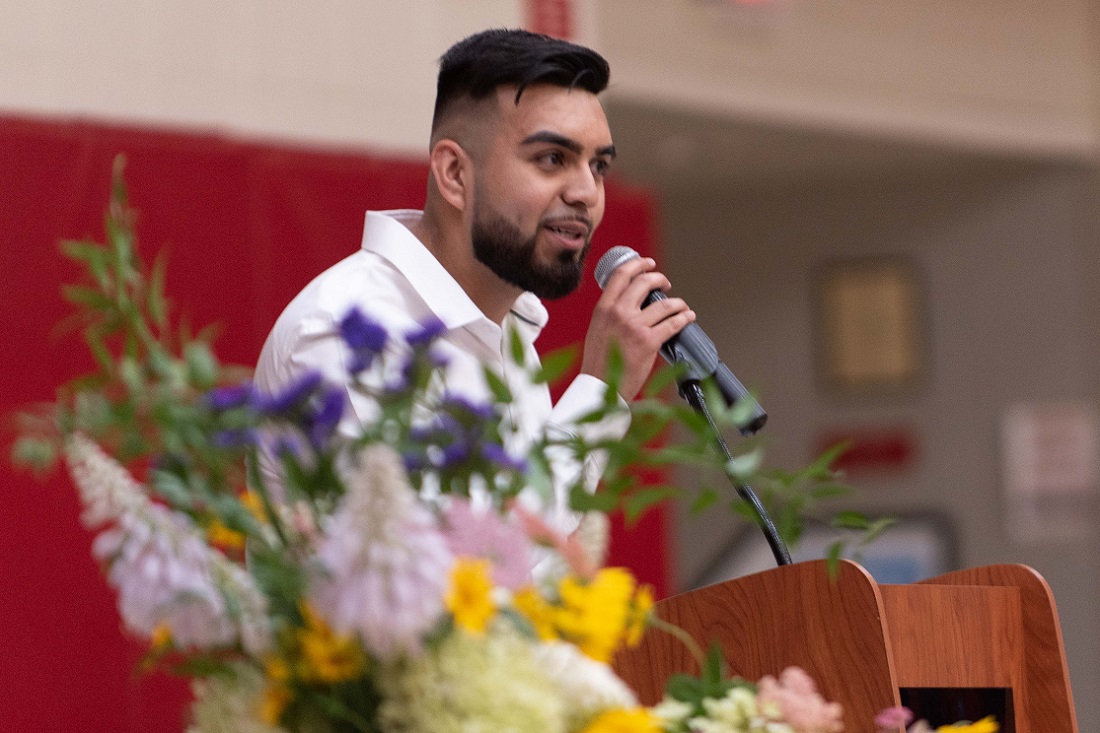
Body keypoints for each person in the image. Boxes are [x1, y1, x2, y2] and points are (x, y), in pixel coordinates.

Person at [254, 28, 695, 534]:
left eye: (597, 166)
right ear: (454, 175)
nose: (585, 192)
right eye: (552, 159)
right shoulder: (342, 330)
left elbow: (533, 579)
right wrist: (600, 390)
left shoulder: (510, 337)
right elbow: (449, 574)